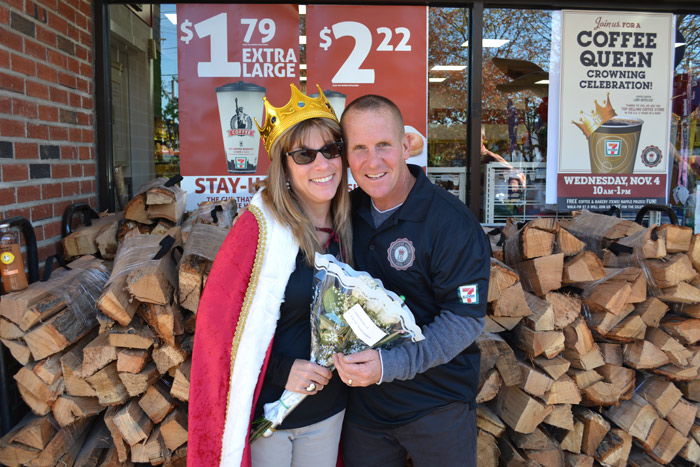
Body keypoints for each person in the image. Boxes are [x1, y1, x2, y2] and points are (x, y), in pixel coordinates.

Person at [188, 84, 353, 467]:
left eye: (331, 150)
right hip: (270, 413)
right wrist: (282, 370)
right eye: (304, 155)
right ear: (284, 167)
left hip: (329, 411)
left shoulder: (352, 226)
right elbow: (219, 333)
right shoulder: (257, 231)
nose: (322, 164)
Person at [333, 95, 490, 467]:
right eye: (359, 148)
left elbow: (464, 319)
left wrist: (391, 365)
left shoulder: (451, 222)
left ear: (406, 145)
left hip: (436, 407)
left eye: (384, 145)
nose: (373, 161)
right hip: (365, 411)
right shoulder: (344, 213)